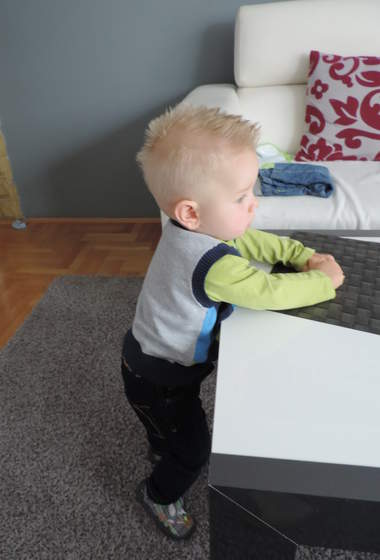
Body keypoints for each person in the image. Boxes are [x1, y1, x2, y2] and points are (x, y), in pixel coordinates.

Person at [120, 104, 345, 540]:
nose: (253, 204)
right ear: (191, 212)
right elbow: (269, 291)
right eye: (241, 197)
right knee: (192, 451)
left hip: (143, 358)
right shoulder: (212, 263)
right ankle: (158, 493)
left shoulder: (190, 228)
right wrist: (323, 280)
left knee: (163, 428)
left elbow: (252, 240)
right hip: (163, 376)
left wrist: (300, 254)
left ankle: (161, 444)